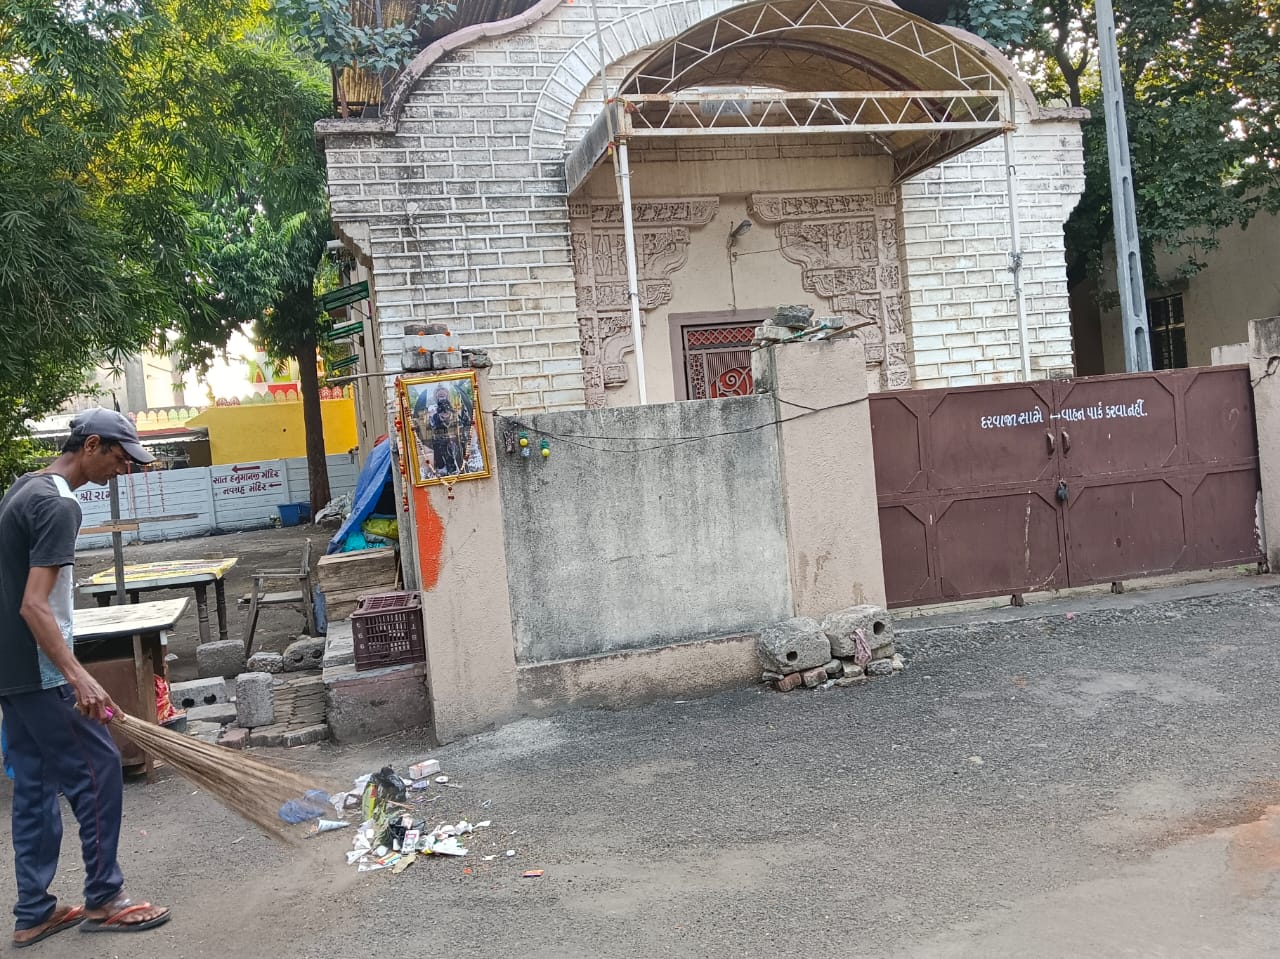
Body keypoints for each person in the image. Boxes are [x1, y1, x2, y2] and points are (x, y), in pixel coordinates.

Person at [0, 409, 171, 946]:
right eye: (120, 457)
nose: (123, 469)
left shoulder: (24, 488)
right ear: (91, 445)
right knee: (97, 768)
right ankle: (104, 896)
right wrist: (77, 676)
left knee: (35, 783)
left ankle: (35, 911)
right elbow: (34, 605)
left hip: (11, 668)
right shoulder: (58, 505)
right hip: (40, 669)